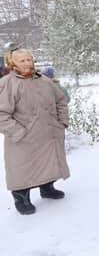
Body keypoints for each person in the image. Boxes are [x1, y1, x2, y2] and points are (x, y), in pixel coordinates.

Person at [0, 48, 69, 215]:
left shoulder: (44, 80)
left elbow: (61, 101)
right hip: (24, 138)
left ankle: (47, 188)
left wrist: (62, 122)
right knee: (22, 168)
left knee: (49, 162)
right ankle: (21, 198)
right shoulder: (8, 83)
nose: (27, 63)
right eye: (22, 60)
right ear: (13, 64)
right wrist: (18, 132)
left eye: (29, 59)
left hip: (48, 133)